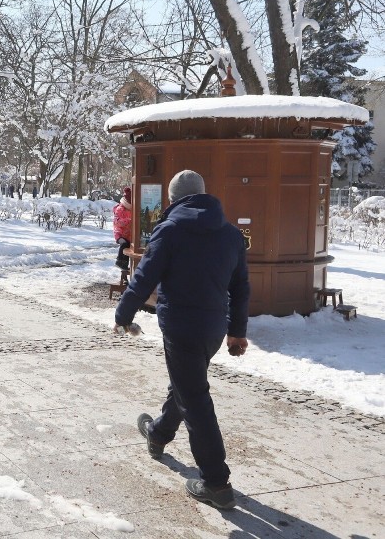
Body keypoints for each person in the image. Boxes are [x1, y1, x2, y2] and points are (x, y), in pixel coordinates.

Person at [113, 169, 250, 511]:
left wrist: (123, 315)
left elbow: (145, 275)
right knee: (187, 385)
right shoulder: (231, 235)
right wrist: (237, 331)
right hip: (214, 328)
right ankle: (158, 434)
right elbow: (241, 287)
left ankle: (217, 483)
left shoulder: (171, 229)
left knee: (195, 400)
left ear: (173, 199)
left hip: (181, 325)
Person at [113, 186, 133, 270]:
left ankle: (124, 264)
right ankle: (119, 261)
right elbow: (118, 222)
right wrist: (129, 221)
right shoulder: (120, 209)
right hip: (119, 233)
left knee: (128, 245)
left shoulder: (129, 210)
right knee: (124, 243)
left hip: (127, 234)